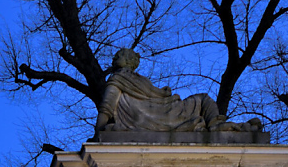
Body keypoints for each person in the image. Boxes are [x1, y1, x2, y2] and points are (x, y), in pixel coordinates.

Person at [95, 48, 261, 134]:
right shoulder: (118, 79)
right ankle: (216, 125)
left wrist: (99, 133)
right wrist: (100, 133)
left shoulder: (123, 78)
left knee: (202, 100)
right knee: (203, 99)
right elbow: (107, 107)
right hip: (158, 115)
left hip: (159, 111)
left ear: (129, 61)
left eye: (119, 56)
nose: (114, 58)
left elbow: (107, 107)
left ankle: (217, 125)